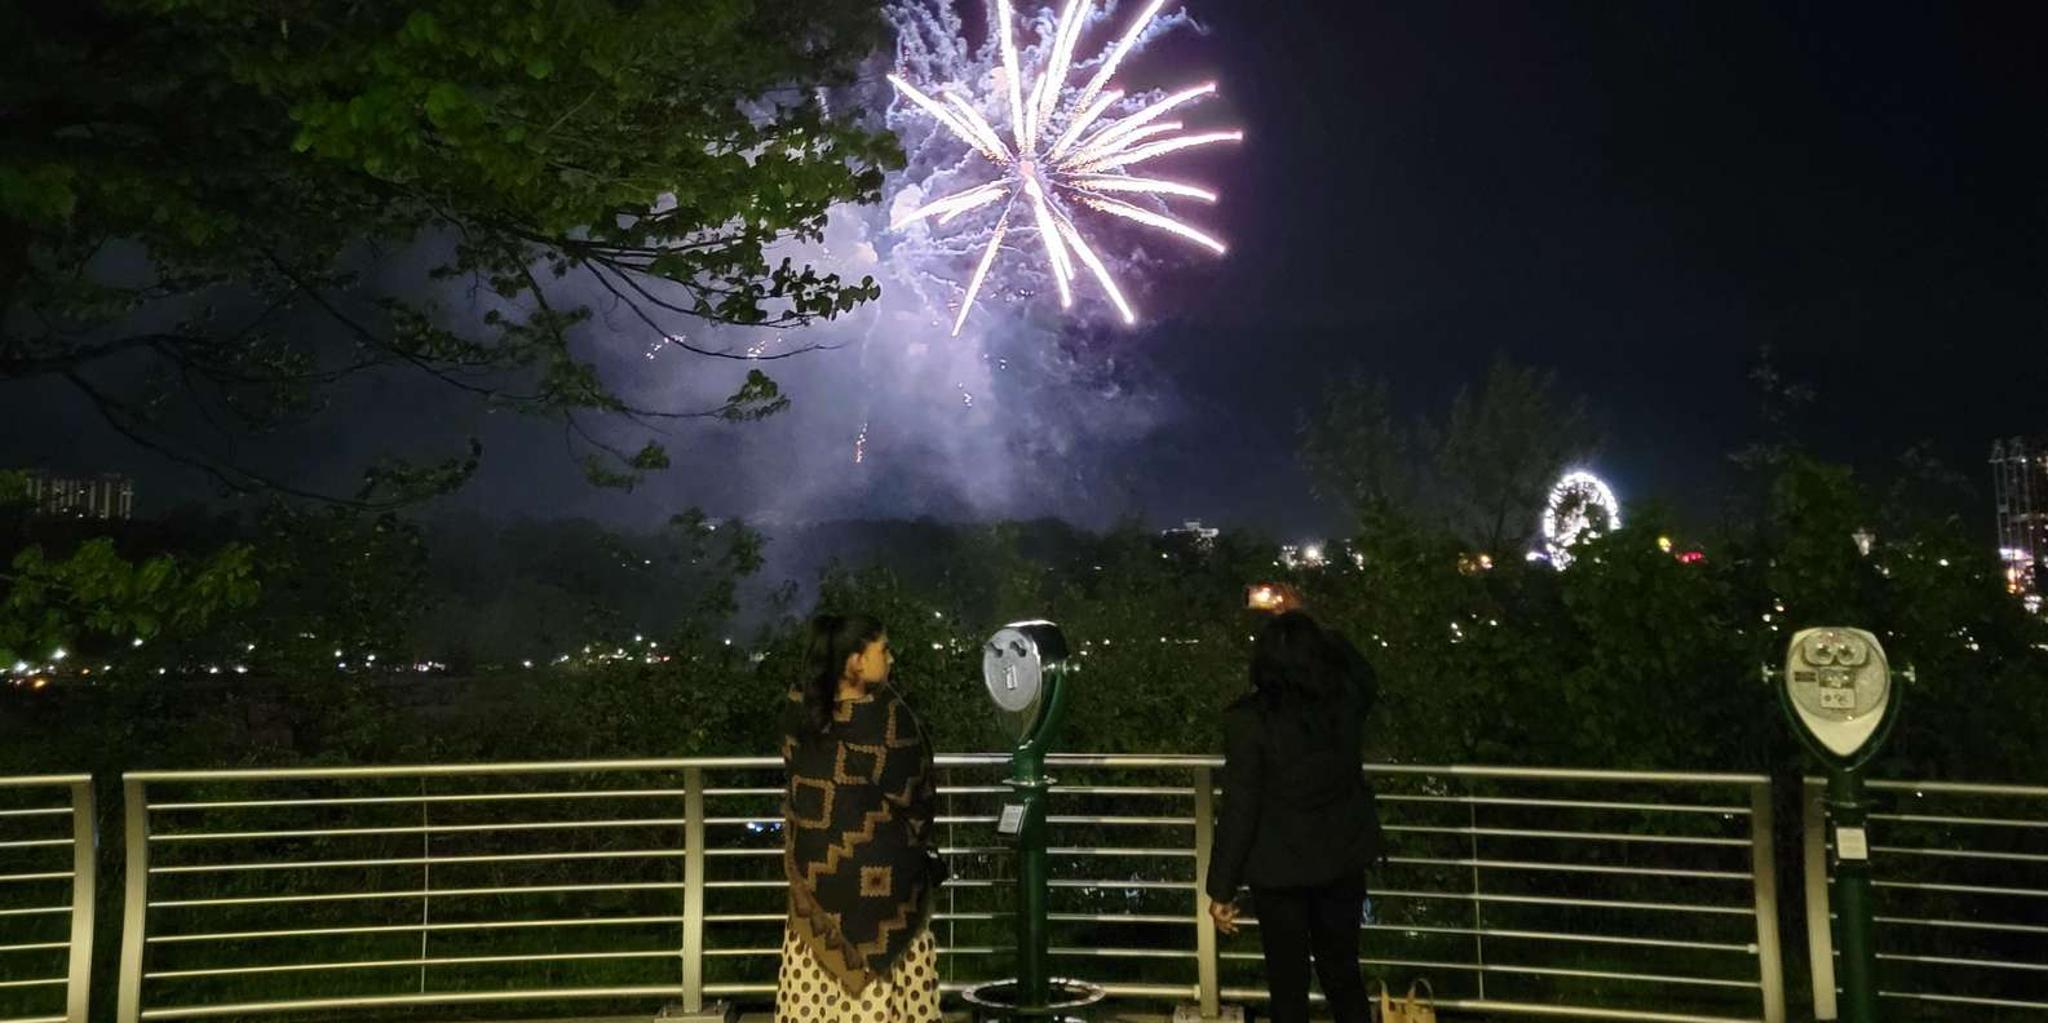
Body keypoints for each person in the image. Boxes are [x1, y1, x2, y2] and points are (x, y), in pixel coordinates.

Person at [1204, 609, 1382, 1023]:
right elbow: (1364, 673)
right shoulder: (1344, 706)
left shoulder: (1248, 721)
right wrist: (1325, 630)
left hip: (1279, 872)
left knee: (1287, 985)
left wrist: (1222, 889)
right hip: (1342, 860)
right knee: (1343, 976)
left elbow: (1240, 806)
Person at [777, 614, 943, 1023]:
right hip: (889, 902)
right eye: (882, 649)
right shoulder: (890, 720)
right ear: (855, 661)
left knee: (815, 1001)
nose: (890, 657)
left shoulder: (799, 717)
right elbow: (919, 799)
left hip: (817, 898)